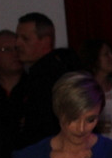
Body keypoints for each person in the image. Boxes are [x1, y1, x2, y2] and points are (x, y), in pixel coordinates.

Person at [13, 12, 82, 149]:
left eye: (25, 39)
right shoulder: (29, 79)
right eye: (17, 38)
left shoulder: (56, 79)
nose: (17, 44)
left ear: (45, 41)